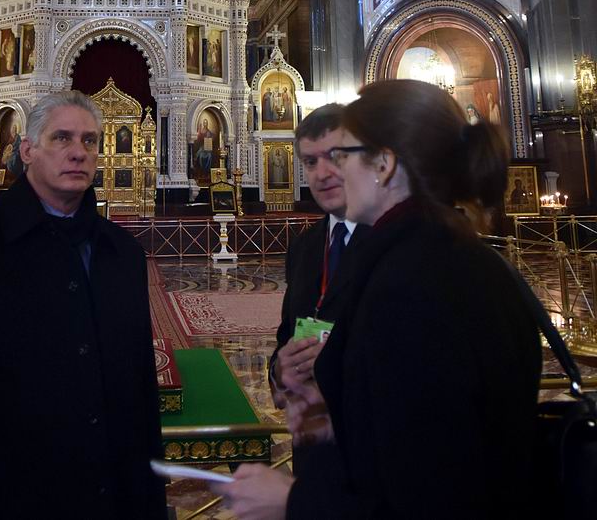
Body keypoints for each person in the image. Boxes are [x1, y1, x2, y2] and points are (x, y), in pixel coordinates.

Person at [224, 79, 541, 520]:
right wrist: (343, 422)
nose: (332, 172)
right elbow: (429, 429)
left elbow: (434, 497)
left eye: (344, 154)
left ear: (384, 165)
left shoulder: (410, 284)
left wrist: (292, 501)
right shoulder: (460, 255)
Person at [0, 91, 167, 520]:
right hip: (1, 495)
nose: (79, 152)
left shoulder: (124, 255)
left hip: (105, 496)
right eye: (62, 138)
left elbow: (138, 394)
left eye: (90, 141)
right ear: (27, 150)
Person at [269, 103, 369, 480]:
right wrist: (280, 373)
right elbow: (287, 335)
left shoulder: (395, 242)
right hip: (313, 455)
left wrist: (332, 369)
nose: (322, 173)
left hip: (373, 458)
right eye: (310, 162)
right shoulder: (306, 247)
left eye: (336, 157)